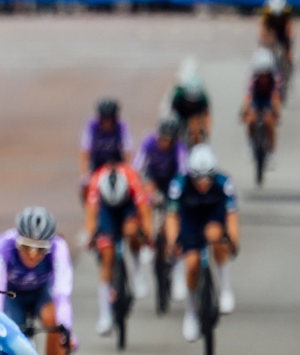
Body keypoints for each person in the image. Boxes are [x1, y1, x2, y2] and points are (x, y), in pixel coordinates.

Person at [0, 207, 73, 355]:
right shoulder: (3, 244)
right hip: (12, 295)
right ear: (18, 241)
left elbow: (62, 294)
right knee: (8, 335)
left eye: (40, 250)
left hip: (41, 293)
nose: (33, 254)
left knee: (55, 324)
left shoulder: (59, 247)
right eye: (26, 247)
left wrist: (66, 329)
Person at [164, 145, 240, 339]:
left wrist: (232, 239)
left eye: (208, 178)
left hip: (213, 216)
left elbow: (231, 216)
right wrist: (172, 242)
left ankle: (224, 288)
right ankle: (190, 311)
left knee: (217, 236)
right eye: (199, 178)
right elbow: (171, 217)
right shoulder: (179, 185)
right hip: (190, 220)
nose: (204, 183)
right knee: (191, 264)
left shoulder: (224, 183)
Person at [82, 161, 154, 334]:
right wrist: (92, 236)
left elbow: (144, 210)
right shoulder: (96, 180)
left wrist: (147, 234)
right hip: (107, 210)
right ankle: (105, 314)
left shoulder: (131, 178)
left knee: (132, 231)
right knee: (107, 255)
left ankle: (138, 272)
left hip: (128, 207)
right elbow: (91, 213)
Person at [79, 98, 132, 196]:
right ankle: (89, 208)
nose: (107, 123)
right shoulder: (92, 126)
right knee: (84, 188)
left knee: (131, 187)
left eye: (110, 119)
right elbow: (85, 150)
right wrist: (84, 174)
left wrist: (129, 171)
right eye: (104, 119)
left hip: (116, 165)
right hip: (97, 166)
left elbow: (127, 150)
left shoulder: (121, 126)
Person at [133, 115, 188, 203]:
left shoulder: (180, 147)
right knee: (144, 199)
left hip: (171, 178)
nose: (166, 143)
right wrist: (144, 182)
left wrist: (176, 187)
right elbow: (137, 165)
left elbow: (183, 171)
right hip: (152, 176)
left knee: (177, 199)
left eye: (170, 141)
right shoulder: (148, 140)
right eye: (163, 139)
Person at [240, 47, 282, 162]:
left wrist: (276, 112)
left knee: (269, 122)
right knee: (250, 119)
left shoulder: (275, 77)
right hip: (256, 97)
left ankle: (272, 151)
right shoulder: (252, 77)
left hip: (269, 97)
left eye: (266, 73)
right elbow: (248, 96)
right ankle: (250, 143)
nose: (263, 76)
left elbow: (276, 97)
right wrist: (245, 110)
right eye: (260, 73)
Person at [170, 70, 211, 148]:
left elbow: (207, 115)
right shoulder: (178, 94)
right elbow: (172, 111)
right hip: (180, 112)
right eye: (189, 101)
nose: (191, 103)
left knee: (195, 130)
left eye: (194, 101)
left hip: (194, 113)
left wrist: (206, 130)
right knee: (174, 130)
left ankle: (196, 147)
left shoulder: (203, 98)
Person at [260, 0, 293, 75]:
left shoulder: (285, 12)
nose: (277, 18)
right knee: (266, 51)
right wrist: (267, 41)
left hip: (281, 30)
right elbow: (263, 28)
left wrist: (287, 49)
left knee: (287, 56)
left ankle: (287, 73)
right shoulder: (268, 12)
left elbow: (288, 28)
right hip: (271, 29)